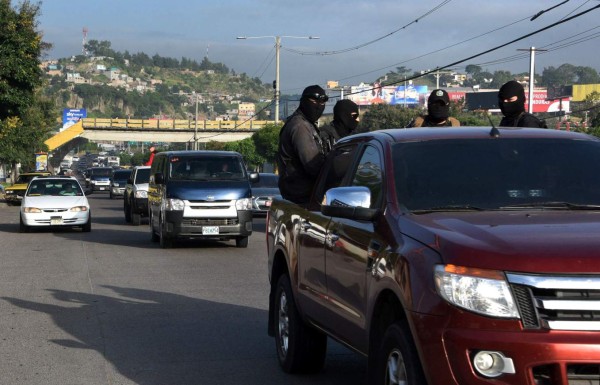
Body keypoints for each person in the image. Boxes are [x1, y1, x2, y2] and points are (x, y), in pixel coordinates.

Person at [276, 84, 329, 205]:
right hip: (301, 198)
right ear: (304, 101)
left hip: (301, 196)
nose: (318, 106)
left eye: (322, 103)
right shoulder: (300, 126)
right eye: (314, 101)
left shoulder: (306, 124)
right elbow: (313, 164)